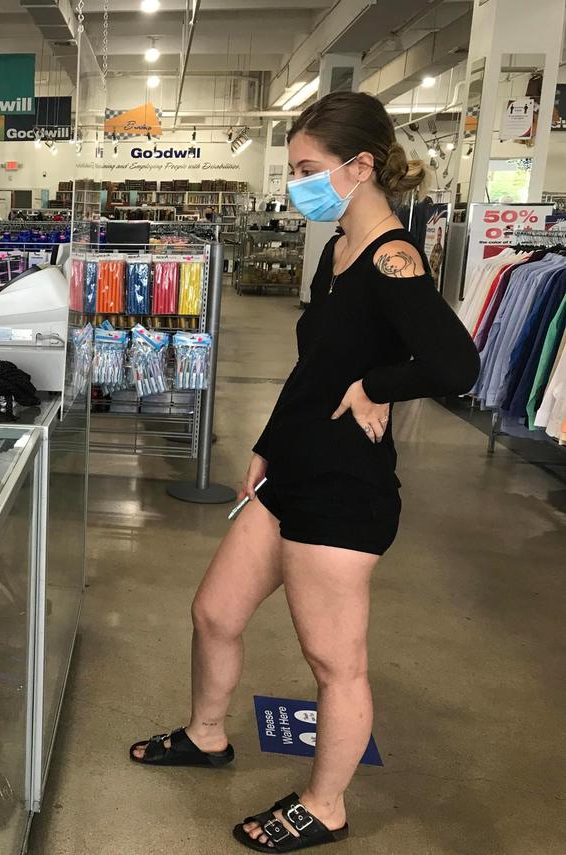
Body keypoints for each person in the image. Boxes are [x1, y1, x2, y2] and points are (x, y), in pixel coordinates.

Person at [128, 91, 481, 852]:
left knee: (334, 663)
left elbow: (457, 362)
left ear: (361, 166)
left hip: (344, 491)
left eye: (308, 169)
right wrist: (268, 441)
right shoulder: (335, 250)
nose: (298, 183)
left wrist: (376, 386)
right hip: (292, 467)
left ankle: (326, 804)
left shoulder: (392, 255)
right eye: (294, 169)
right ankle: (207, 734)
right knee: (215, 611)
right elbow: (314, 367)